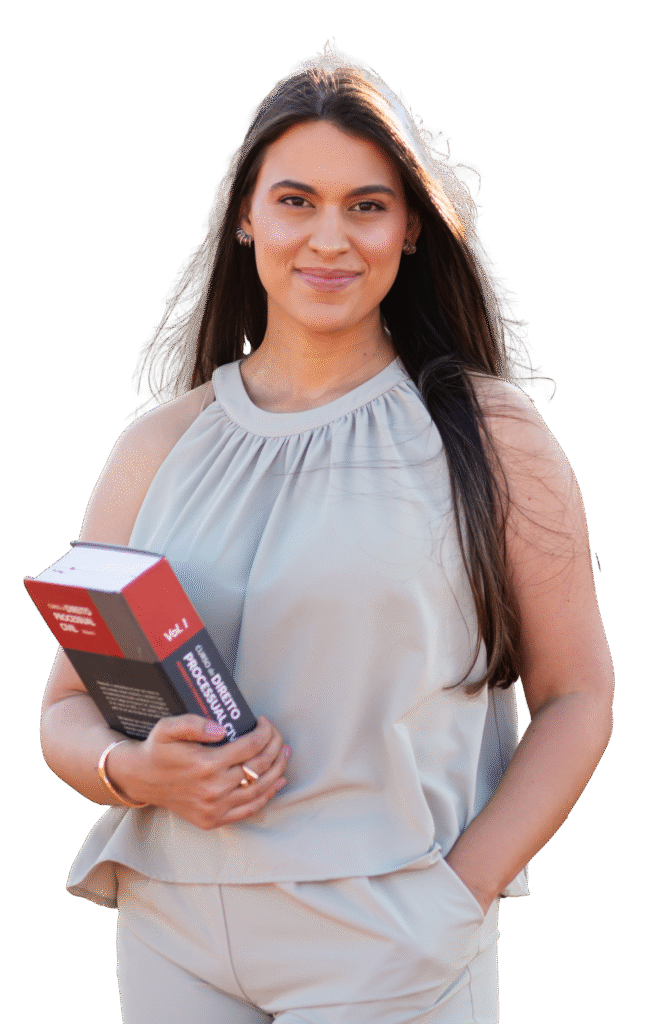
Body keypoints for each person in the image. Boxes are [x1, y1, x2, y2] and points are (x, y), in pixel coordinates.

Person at [39, 42, 614, 1024]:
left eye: (367, 205)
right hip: (173, 927)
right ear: (245, 218)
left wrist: (454, 899)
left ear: (412, 227)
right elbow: (66, 706)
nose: (330, 239)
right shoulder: (154, 447)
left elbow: (576, 695)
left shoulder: (491, 433)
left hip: (389, 932)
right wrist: (132, 770)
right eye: (296, 201)